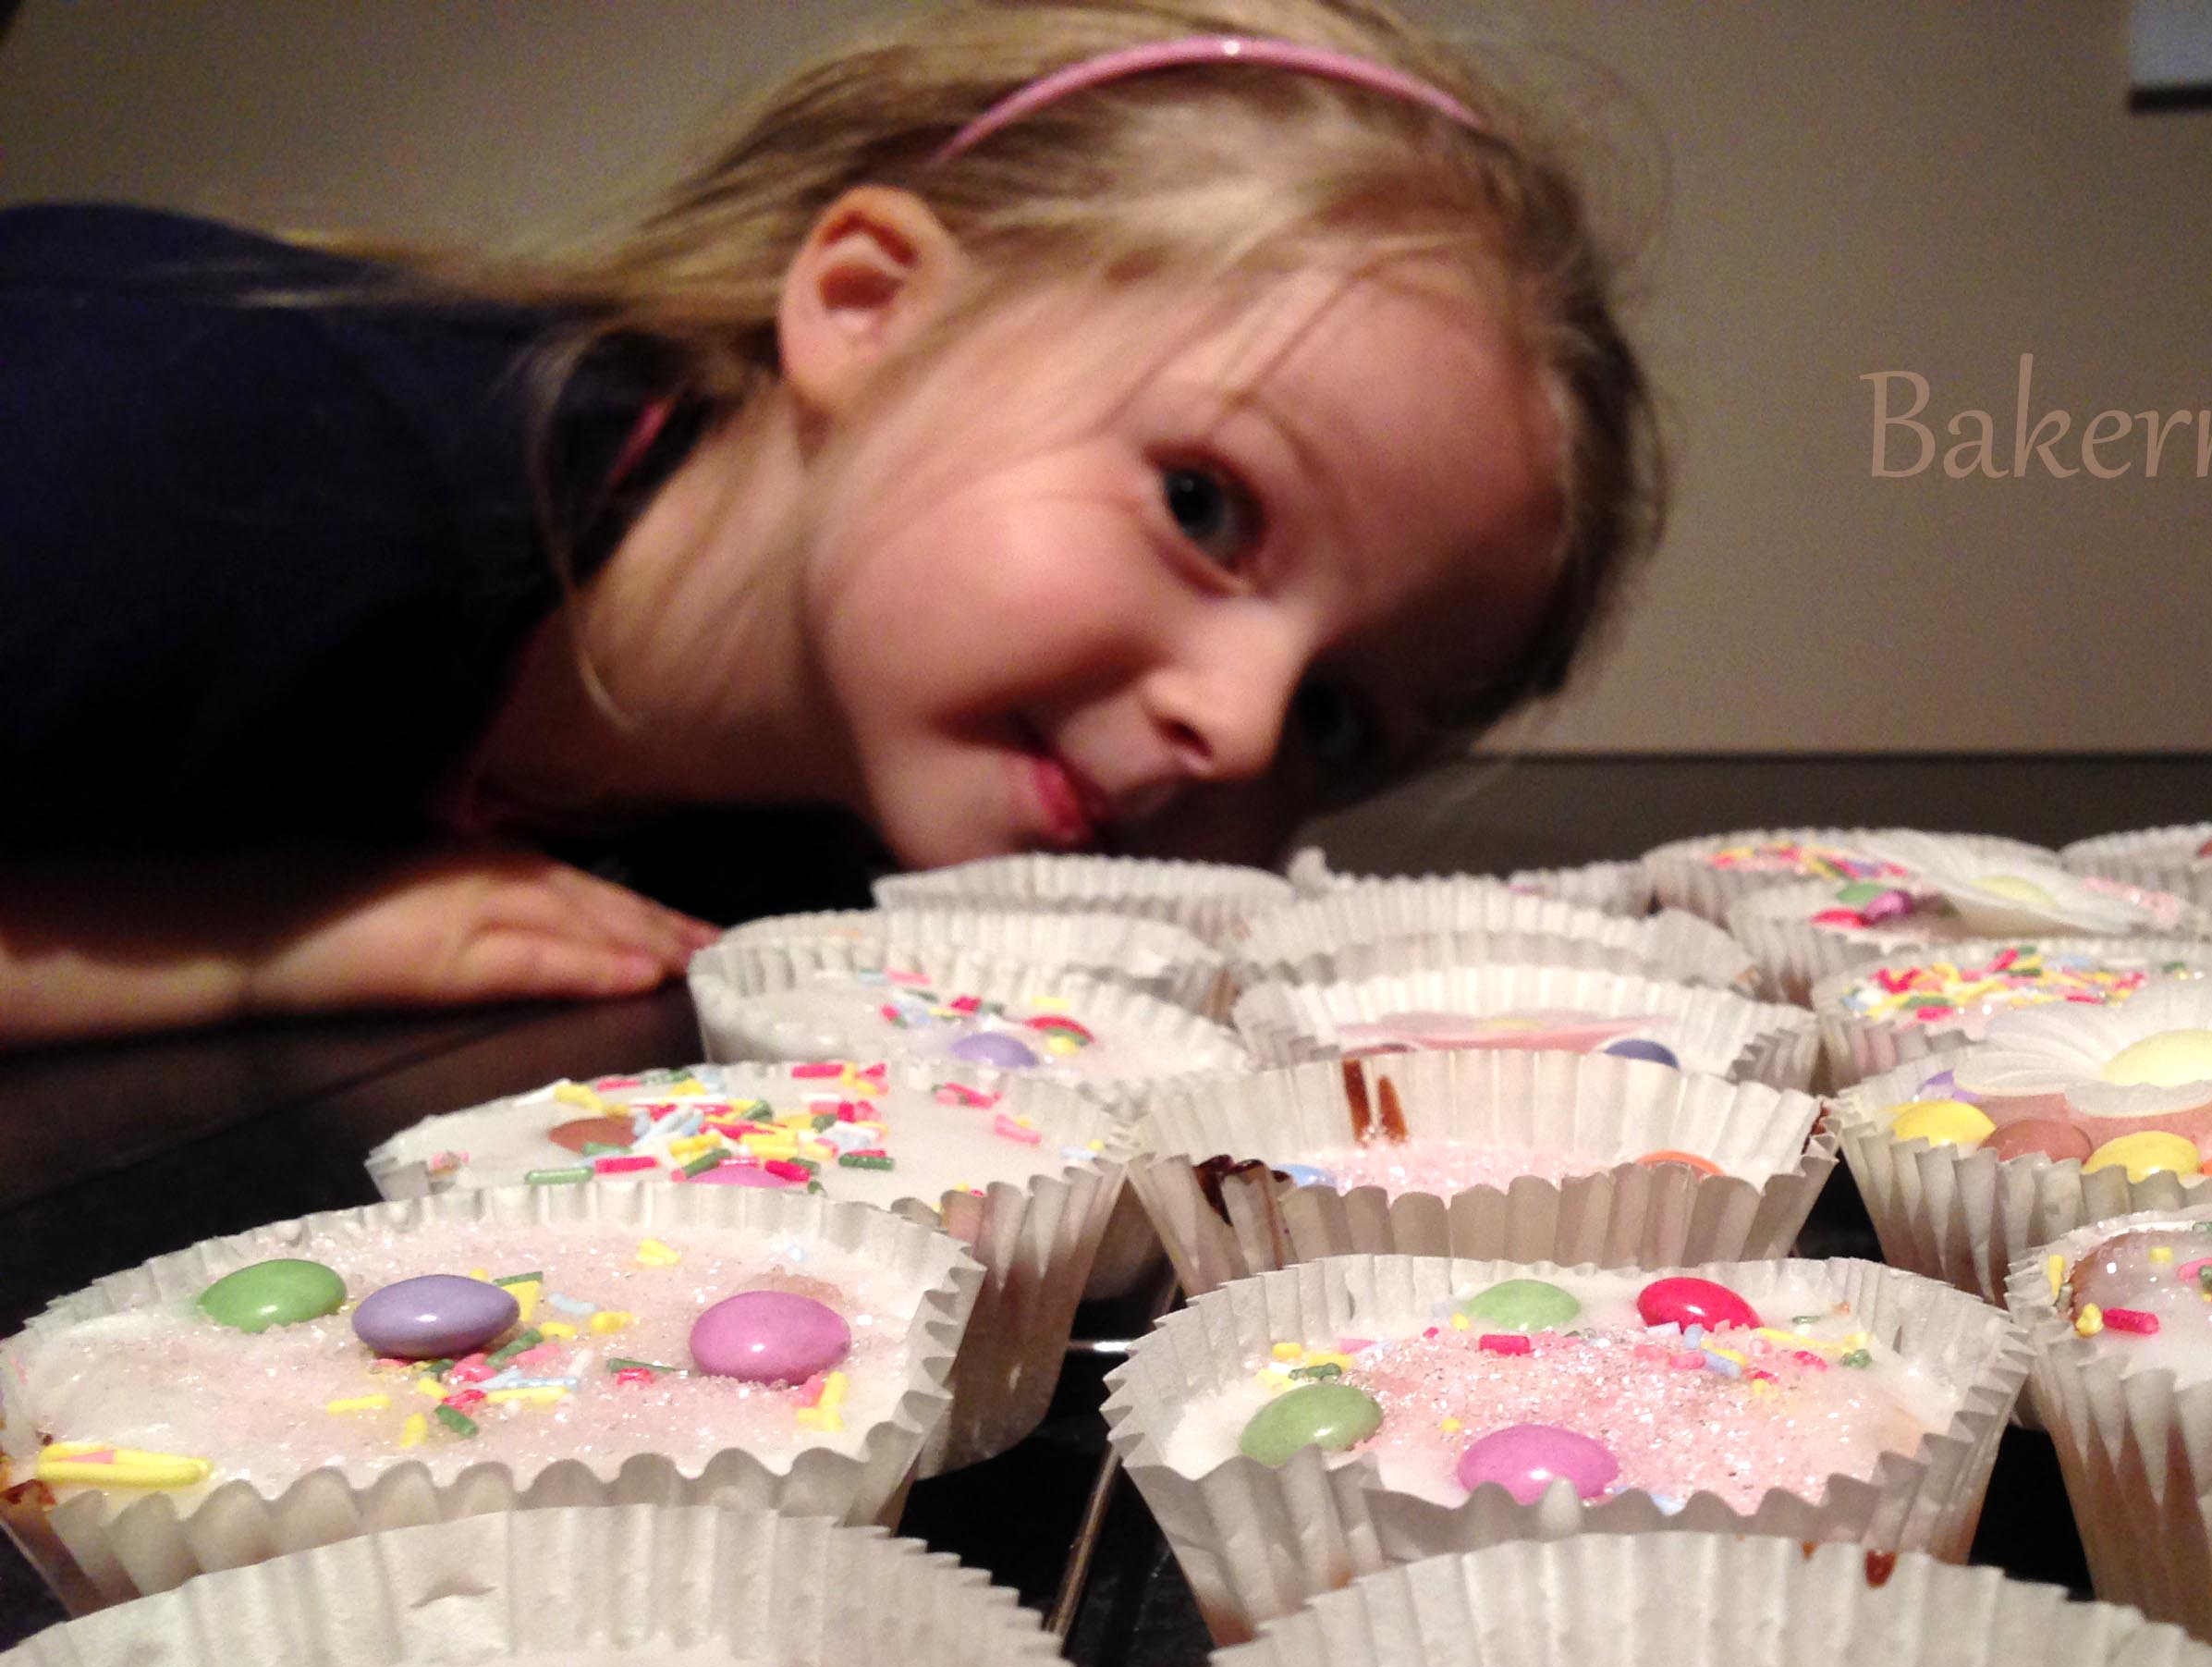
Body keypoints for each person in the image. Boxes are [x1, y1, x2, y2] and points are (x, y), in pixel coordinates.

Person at [0, 0, 1660, 1045]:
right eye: (1205, 506)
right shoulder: (185, 460)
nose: (1233, 731)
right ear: (869, 309)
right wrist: (236, 955)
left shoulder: (839, 855)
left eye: (1333, 713)